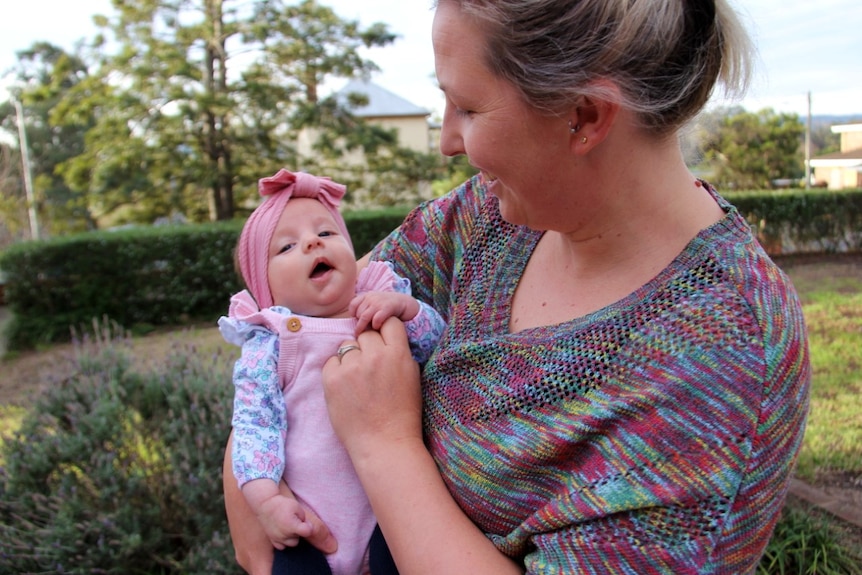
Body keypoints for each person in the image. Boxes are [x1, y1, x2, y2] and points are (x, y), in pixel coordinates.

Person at [225, 1, 811, 573]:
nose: (447, 140)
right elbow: (291, 336)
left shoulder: (723, 355)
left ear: (582, 115)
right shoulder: (487, 218)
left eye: (468, 107)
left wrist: (383, 446)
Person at [218, 168, 445, 575]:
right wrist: (267, 501)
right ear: (265, 287)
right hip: (306, 521)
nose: (311, 242)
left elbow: (437, 349)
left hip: (390, 512)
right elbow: (254, 426)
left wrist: (409, 311)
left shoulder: (382, 299)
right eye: (286, 247)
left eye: (325, 233)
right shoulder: (271, 342)